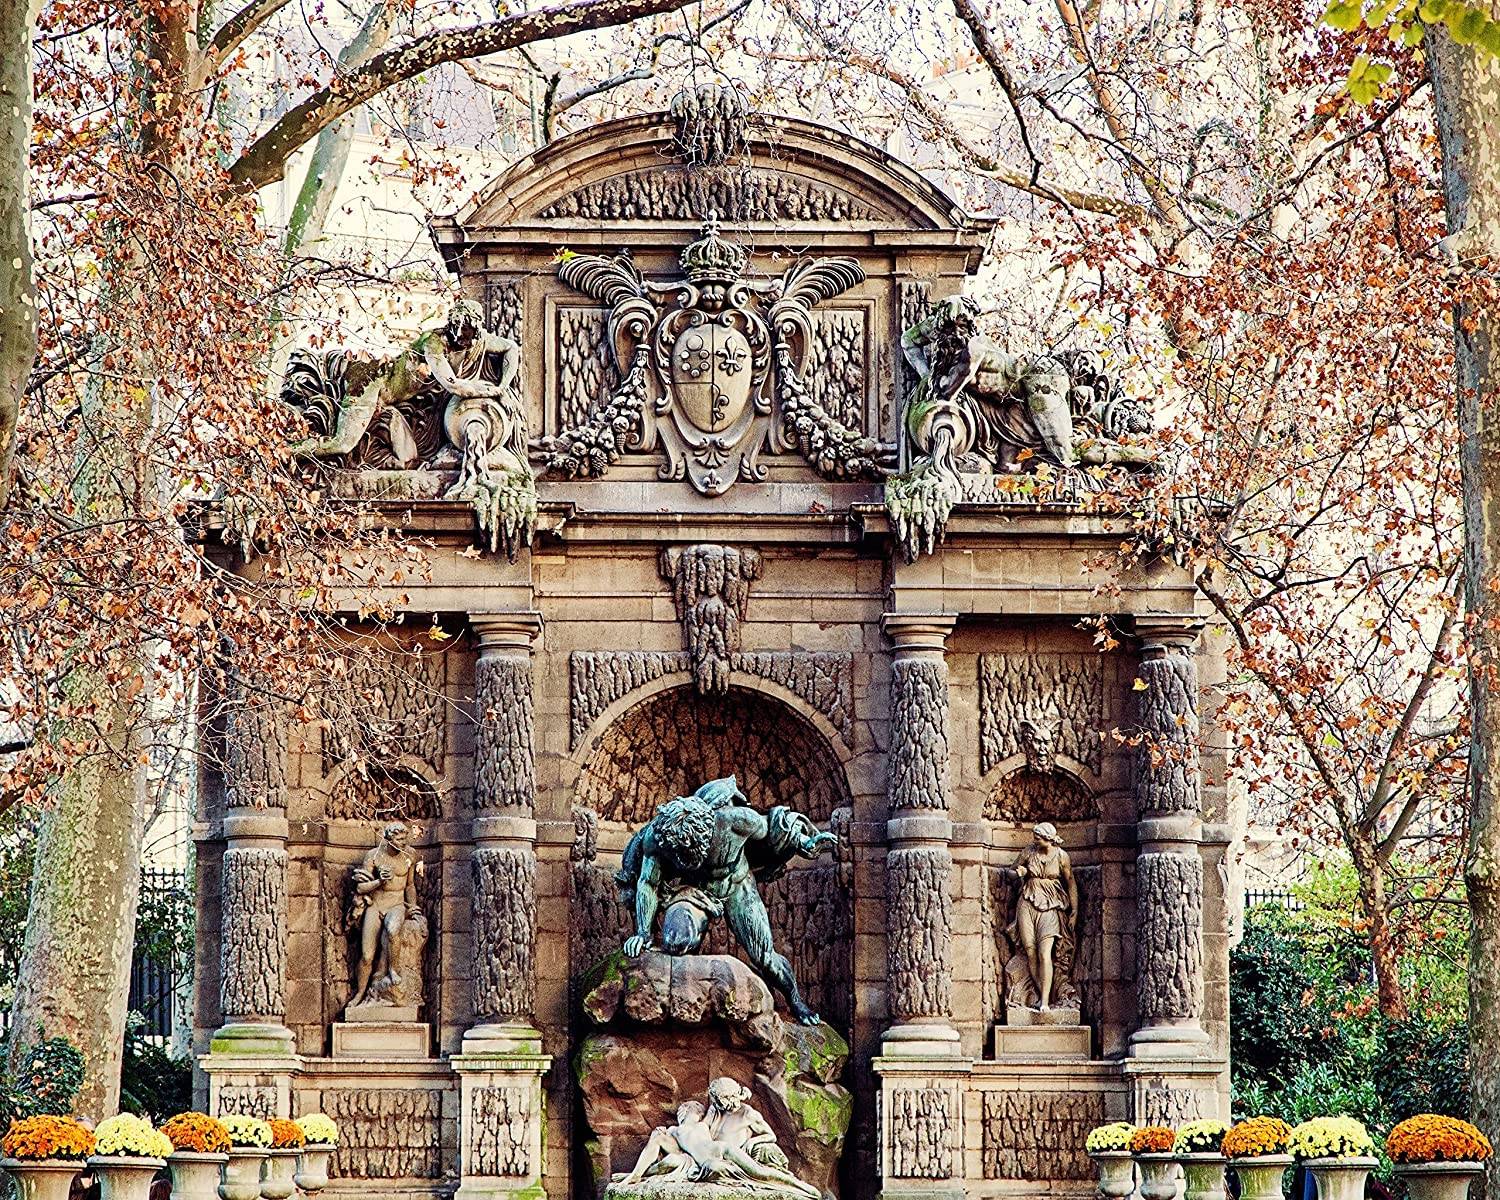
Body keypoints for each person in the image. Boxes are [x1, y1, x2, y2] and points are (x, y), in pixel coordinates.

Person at [616, 776, 836, 1024]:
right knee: (675, 941)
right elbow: (648, 882)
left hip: (737, 886)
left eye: (686, 853)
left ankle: (795, 1001)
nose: (677, 860)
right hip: (693, 891)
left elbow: (774, 827)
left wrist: (804, 841)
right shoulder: (658, 837)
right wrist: (643, 933)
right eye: (675, 855)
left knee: (765, 958)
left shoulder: (735, 820)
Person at [347, 822, 422, 1007]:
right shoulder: (374, 856)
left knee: (392, 928)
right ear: (389, 839)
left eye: (405, 839)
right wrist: (379, 881)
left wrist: (413, 906)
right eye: (399, 839)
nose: (403, 843)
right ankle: (360, 993)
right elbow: (360, 887)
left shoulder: (410, 855)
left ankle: (393, 969)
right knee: (367, 955)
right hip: (376, 905)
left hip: (397, 905)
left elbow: (410, 885)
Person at [1009, 822, 1078, 1011]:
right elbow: (1011, 872)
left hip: (1051, 905)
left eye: (1037, 837)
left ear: (1048, 839)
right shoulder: (1028, 852)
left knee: (1044, 953)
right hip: (1027, 902)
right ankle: (1043, 996)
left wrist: (1074, 910)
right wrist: (1019, 873)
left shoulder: (1062, 856)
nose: (1034, 840)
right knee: (1030, 952)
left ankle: (1046, 1001)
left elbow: (1071, 882)